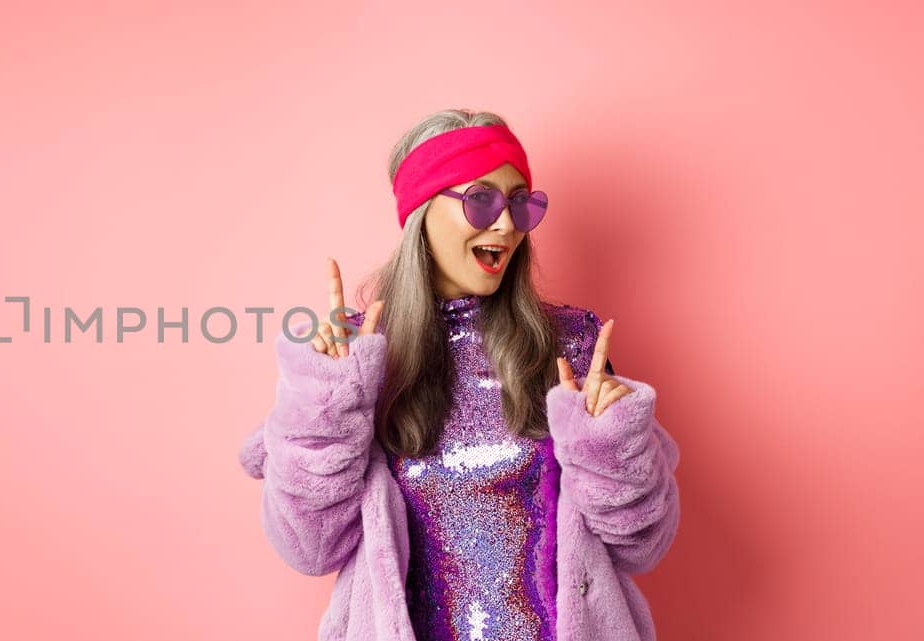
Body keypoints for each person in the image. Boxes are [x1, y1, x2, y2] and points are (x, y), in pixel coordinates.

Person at [236, 109, 680, 641]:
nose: (508, 223)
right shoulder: (356, 356)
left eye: (521, 203)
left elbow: (642, 546)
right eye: (482, 199)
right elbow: (309, 548)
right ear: (423, 211)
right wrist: (327, 403)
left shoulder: (569, 346)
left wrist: (612, 441)